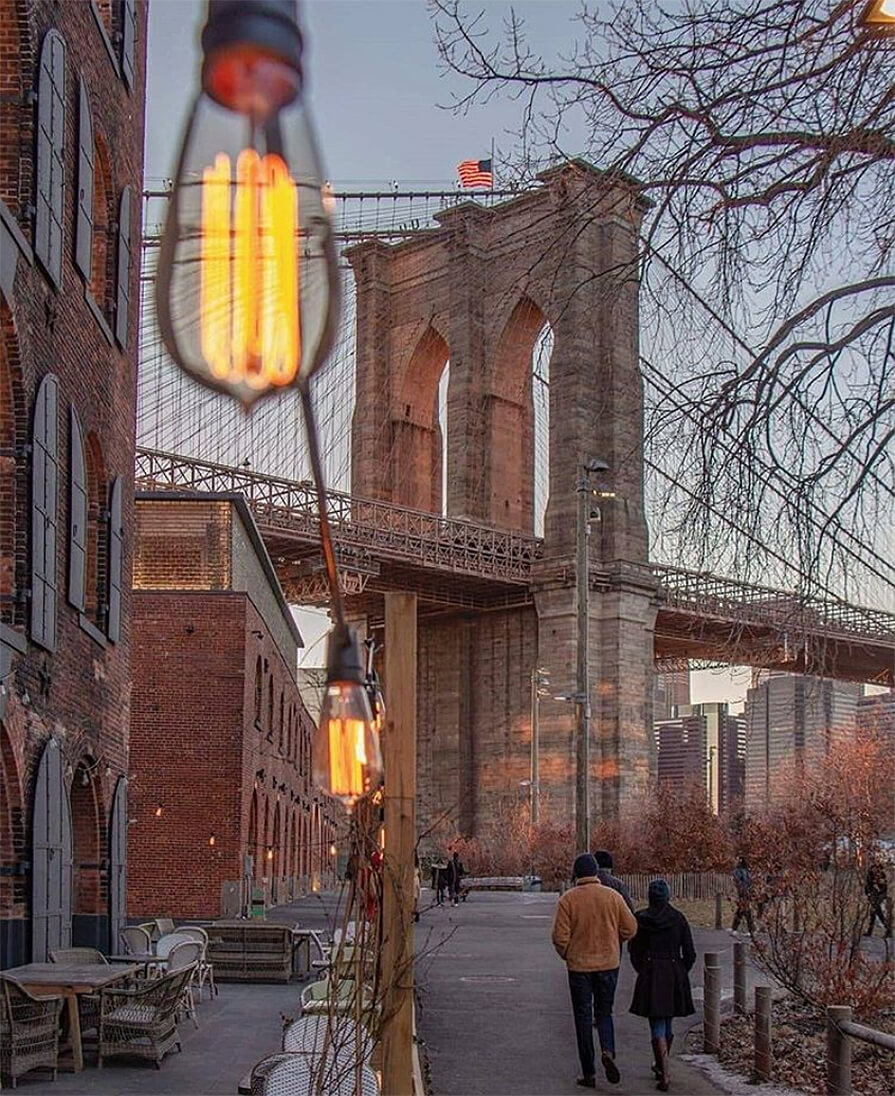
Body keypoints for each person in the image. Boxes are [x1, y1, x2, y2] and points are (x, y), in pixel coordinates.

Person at [552, 853, 637, 1089]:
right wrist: (613, 940)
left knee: (582, 1017)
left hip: (579, 967)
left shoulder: (568, 900)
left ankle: (588, 1072)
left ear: (576, 874)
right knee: (604, 1012)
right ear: (597, 872)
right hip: (608, 964)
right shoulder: (613, 897)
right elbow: (630, 928)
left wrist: (569, 954)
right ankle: (608, 1050)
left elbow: (559, 938)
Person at [628, 879, 696, 1092]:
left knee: (657, 1021)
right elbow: (690, 953)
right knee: (667, 1020)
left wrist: (643, 970)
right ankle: (663, 1067)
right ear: (668, 896)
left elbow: (634, 951)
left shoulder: (640, 919)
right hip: (673, 970)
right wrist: (681, 970)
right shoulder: (678, 919)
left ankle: (663, 1069)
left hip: (651, 971)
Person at [864, 859, 891, 938]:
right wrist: (868, 894)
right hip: (872, 896)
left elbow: (883, 888)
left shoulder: (882, 875)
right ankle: (871, 931)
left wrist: (879, 893)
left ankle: (887, 930)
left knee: (877, 913)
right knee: (873, 914)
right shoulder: (870, 875)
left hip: (878, 896)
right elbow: (867, 886)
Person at [731, 856, 755, 934]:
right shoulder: (747, 871)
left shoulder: (739, 871)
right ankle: (736, 928)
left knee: (745, 910)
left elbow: (737, 879)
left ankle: (750, 929)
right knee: (742, 910)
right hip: (747, 892)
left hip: (743, 892)